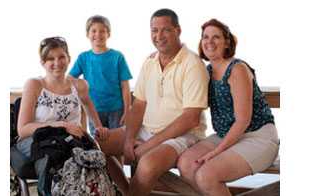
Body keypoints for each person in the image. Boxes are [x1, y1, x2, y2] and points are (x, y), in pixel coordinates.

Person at [97, 8, 209, 196]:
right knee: (96, 147)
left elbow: (190, 119)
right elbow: (139, 105)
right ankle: (127, 192)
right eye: (154, 30)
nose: (159, 36)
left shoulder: (192, 64)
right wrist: (129, 140)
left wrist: (148, 146)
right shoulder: (150, 62)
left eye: (165, 30)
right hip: (146, 131)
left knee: (147, 165)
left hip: (184, 136)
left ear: (178, 30)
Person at [177, 19, 280, 196]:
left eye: (216, 37)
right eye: (205, 37)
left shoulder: (237, 69)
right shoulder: (206, 71)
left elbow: (242, 121)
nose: (209, 42)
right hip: (227, 135)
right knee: (186, 164)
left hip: (257, 137)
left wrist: (216, 152)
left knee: (206, 175)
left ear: (227, 42)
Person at [16, 36, 128, 195]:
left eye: (61, 57)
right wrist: (61, 126)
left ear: (69, 58)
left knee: (99, 156)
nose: (57, 63)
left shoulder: (79, 85)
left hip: (71, 141)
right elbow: (23, 129)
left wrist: (98, 127)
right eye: (50, 59)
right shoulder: (34, 84)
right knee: (63, 159)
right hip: (38, 140)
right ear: (42, 63)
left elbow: (89, 106)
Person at [69, 15, 132, 136]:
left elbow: (125, 85)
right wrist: (80, 93)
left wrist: (127, 109)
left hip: (116, 109)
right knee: (99, 143)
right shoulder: (83, 58)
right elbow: (70, 79)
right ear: (87, 34)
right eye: (94, 31)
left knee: (117, 141)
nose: (98, 34)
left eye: (102, 31)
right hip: (94, 110)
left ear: (108, 34)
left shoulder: (117, 56)